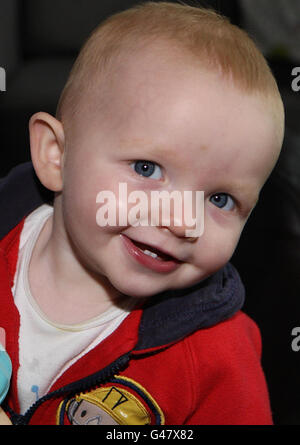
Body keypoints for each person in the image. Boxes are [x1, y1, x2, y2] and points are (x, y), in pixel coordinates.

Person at [0, 2, 284, 425]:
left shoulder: (217, 356)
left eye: (220, 199)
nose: (180, 220)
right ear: (56, 156)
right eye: (146, 169)